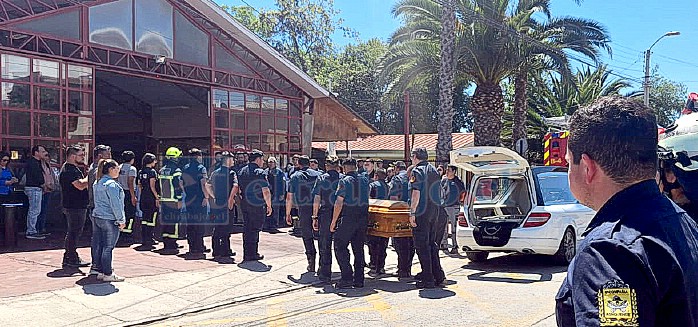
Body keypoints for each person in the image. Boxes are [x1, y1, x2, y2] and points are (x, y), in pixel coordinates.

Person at [555, 96, 698, 326]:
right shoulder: (683, 223)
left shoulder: (608, 252)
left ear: (588, 167)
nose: (567, 171)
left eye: (569, 162)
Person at [331, 158, 370, 289]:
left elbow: (339, 202)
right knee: (358, 249)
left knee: (339, 245)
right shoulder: (365, 180)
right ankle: (359, 279)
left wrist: (333, 221)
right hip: (363, 218)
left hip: (349, 218)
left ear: (345, 167)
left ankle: (347, 277)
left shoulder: (344, 180)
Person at [409, 147, 444, 289]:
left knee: (422, 246)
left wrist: (412, 213)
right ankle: (438, 274)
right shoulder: (434, 170)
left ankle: (428, 278)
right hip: (434, 210)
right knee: (431, 244)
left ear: (415, 156)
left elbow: (416, 194)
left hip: (422, 211)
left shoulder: (417, 171)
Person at [90, 159, 126, 282]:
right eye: (117, 169)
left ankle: (100, 270)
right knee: (108, 247)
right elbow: (116, 204)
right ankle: (108, 273)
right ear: (111, 170)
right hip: (109, 218)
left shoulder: (97, 182)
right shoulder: (112, 184)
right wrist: (121, 220)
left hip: (97, 216)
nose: (118, 171)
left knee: (100, 244)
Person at [286, 155, 322, 272]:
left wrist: (288, 213)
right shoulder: (319, 175)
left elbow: (289, 197)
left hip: (304, 208)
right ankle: (323, 264)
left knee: (307, 235)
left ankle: (311, 262)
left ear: (299, 164)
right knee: (322, 236)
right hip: (320, 207)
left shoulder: (295, 176)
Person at [311, 155, 343, 284]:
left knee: (324, 243)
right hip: (341, 213)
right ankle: (345, 271)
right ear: (338, 166)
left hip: (325, 214)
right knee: (341, 244)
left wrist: (314, 216)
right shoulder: (343, 179)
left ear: (326, 166)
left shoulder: (321, 178)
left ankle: (325, 273)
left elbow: (317, 199)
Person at [238, 149, 273, 262]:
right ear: (258, 159)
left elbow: (238, 188)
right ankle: (252, 253)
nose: (263, 162)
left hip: (245, 203)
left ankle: (246, 253)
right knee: (255, 229)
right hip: (257, 205)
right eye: (262, 159)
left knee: (247, 228)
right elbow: (266, 191)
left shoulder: (242, 171)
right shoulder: (260, 172)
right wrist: (269, 205)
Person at [59, 145, 90, 268]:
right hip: (74, 206)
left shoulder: (72, 169)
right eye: (81, 155)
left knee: (74, 231)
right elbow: (80, 185)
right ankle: (71, 258)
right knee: (74, 232)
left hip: (76, 205)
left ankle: (70, 256)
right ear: (72, 156)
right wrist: (90, 176)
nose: (83, 157)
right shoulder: (69, 170)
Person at [209, 151, 239, 263]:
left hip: (217, 204)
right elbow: (236, 186)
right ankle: (225, 251)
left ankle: (216, 251)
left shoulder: (215, 173)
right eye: (232, 159)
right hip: (227, 205)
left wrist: (214, 196)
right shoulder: (232, 173)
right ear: (228, 160)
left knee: (217, 227)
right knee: (226, 228)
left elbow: (207, 185)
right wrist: (231, 199)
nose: (234, 161)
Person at [182, 148, 211, 259]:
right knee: (200, 224)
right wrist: (206, 196)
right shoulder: (201, 168)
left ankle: (192, 246)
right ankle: (198, 247)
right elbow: (203, 183)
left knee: (191, 223)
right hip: (199, 199)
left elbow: (181, 182)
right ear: (198, 156)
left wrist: (187, 192)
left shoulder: (185, 168)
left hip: (189, 199)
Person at [389, 161, 416, 278]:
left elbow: (393, 198)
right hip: (413, 212)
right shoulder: (414, 177)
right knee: (411, 243)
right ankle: (407, 268)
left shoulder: (396, 179)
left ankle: (402, 269)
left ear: (396, 168)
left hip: (400, 213)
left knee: (400, 243)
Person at [158, 147, 185, 255]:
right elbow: (177, 186)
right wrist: (179, 199)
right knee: (174, 222)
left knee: (166, 222)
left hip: (164, 200)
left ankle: (166, 243)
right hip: (173, 200)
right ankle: (172, 244)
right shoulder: (176, 171)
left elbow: (158, 185)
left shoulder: (162, 169)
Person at [367, 168, 390, 277]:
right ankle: (381, 266)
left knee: (373, 243)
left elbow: (369, 200)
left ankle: (373, 266)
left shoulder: (372, 185)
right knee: (383, 243)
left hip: (375, 216)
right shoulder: (388, 186)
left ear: (376, 175)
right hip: (386, 217)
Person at [137, 153, 160, 251]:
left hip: (143, 197)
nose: (156, 162)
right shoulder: (152, 172)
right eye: (155, 160)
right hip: (151, 198)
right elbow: (152, 186)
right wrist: (157, 197)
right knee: (151, 219)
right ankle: (150, 239)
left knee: (145, 219)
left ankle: (144, 238)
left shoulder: (141, 171)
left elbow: (139, 185)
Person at [440, 165, 465, 254]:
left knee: (454, 228)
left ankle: (454, 246)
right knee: (444, 227)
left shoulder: (458, 182)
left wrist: (459, 202)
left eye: (449, 170)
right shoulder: (443, 181)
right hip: (444, 207)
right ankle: (444, 245)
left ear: (454, 171)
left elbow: (463, 194)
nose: (446, 172)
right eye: (446, 170)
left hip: (454, 207)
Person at [24, 145, 47, 239]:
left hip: (35, 188)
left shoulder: (36, 162)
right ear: (36, 152)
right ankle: (31, 231)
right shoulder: (33, 163)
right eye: (42, 151)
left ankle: (32, 229)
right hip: (34, 188)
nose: (44, 153)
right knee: (34, 210)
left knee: (35, 210)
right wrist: (43, 184)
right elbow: (37, 176)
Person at [116, 151, 137, 244]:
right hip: (128, 192)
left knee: (121, 212)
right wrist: (133, 196)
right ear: (132, 159)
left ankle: (120, 233)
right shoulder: (132, 169)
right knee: (130, 213)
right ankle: (128, 234)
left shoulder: (118, 167)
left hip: (119, 192)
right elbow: (130, 182)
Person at [87, 145, 112, 220]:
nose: (110, 157)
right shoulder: (98, 171)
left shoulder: (93, 167)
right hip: (100, 209)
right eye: (107, 155)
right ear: (100, 156)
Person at [37, 152, 57, 236]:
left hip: (49, 190)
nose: (47, 158)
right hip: (41, 189)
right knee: (38, 210)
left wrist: (52, 186)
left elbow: (52, 177)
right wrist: (44, 185)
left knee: (44, 210)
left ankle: (42, 227)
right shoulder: (38, 166)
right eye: (45, 156)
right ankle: (37, 228)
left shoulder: (49, 166)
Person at [264, 156, 285, 234]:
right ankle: (266, 225)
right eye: (269, 162)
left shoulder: (279, 172)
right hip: (267, 194)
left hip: (276, 194)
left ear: (275, 163)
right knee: (267, 209)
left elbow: (283, 183)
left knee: (275, 210)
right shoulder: (265, 171)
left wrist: (282, 193)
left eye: (272, 162)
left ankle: (274, 225)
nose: (270, 163)